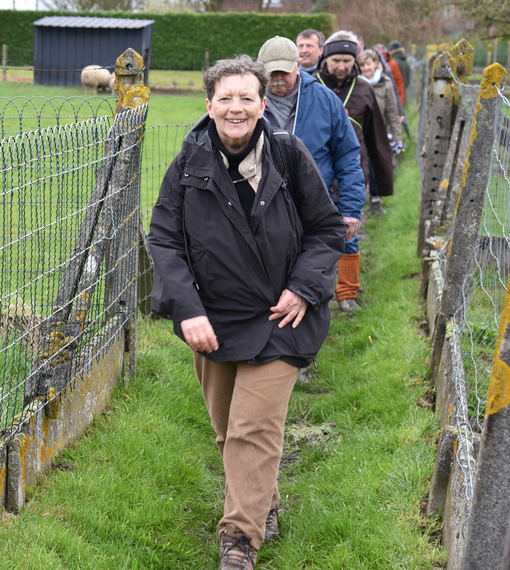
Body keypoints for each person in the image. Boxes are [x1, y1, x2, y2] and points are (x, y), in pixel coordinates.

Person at [148, 55, 346, 569]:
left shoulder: (287, 153)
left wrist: (304, 288)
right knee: (226, 431)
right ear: (209, 103)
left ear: (263, 104)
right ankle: (265, 501)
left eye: (246, 98)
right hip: (213, 320)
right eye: (225, 97)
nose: (236, 108)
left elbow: (328, 229)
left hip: (283, 316)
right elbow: (165, 240)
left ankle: (239, 541)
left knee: (251, 430)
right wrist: (187, 309)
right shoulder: (189, 163)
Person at [257, 36, 365, 313]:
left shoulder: (325, 100)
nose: (278, 79)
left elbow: (348, 156)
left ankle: (325, 309)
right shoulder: (248, 101)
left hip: (315, 200)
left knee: (313, 264)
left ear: (298, 66)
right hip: (262, 202)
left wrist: (351, 209)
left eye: (284, 71)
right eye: (272, 73)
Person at [316, 32, 394, 306]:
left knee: (348, 231)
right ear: (325, 58)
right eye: (336, 60)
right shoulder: (310, 87)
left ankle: (347, 293)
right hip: (316, 172)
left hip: (352, 171)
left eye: (347, 61)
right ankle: (315, 292)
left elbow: (376, 137)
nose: (341, 66)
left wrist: (381, 180)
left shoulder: (363, 89)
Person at [357, 48, 405, 156]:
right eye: (362, 65)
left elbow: (392, 113)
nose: (365, 68)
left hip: (381, 133)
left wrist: (398, 139)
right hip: (360, 135)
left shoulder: (385, 83)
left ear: (375, 63)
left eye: (368, 64)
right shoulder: (355, 85)